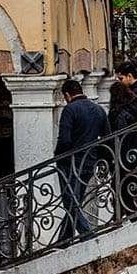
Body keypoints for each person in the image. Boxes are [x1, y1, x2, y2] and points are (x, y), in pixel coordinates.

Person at [54, 78, 110, 240]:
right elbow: (107, 137)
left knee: (70, 201)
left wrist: (58, 157)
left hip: (70, 163)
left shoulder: (70, 110)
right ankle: (64, 239)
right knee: (74, 200)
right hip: (89, 162)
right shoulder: (98, 109)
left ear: (67, 95)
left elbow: (64, 140)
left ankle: (88, 236)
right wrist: (98, 157)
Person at [107, 80, 137, 215]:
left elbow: (119, 135)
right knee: (136, 180)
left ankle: (124, 215)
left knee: (120, 184)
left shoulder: (118, 113)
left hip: (125, 153)